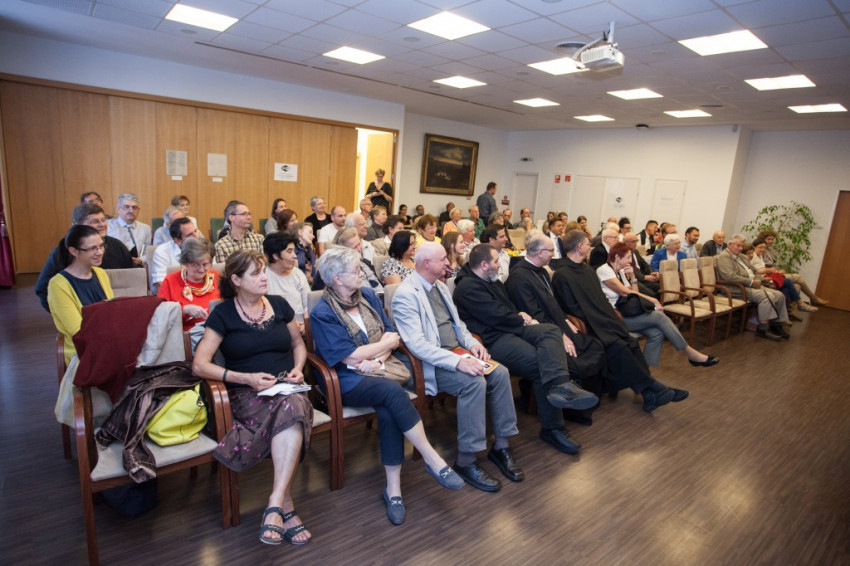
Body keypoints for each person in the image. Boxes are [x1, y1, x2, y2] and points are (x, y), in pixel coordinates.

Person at [310, 247, 465, 525]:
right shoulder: (323, 311)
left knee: (388, 407)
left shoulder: (367, 295)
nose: (361, 273)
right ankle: (432, 458)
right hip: (345, 379)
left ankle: (393, 490)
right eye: (355, 271)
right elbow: (348, 356)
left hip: (379, 369)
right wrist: (378, 350)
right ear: (336, 279)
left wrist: (378, 359)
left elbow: (390, 334)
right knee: (392, 393)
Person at [192, 250, 314, 545]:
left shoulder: (279, 304)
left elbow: (298, 344)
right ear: (236, 280)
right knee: (293, 411)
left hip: (287, 388)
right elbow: (200, 365)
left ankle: (275, 502)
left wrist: (298, 369)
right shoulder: (223, 313)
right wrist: (245, 378)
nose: (263, 277)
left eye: (263, 271)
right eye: (256, 273)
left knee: (293, 404)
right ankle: (285, 505)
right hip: (247, 393)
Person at [392, 242, 522, 491]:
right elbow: (417, 345)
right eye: (443, 259)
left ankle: (501, 446)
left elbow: (458, 325)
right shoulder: (406, 295)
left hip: (457, 353)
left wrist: (473, 344)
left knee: (500, 372)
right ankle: (466, 460)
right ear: (426, 263)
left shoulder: (440, 286)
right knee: (474, 383)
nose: (448, 263)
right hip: (431, 362)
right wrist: (458, 361)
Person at [452, 244, 599, 455]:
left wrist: (520, 315)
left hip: (512, 328)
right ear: (484, 265)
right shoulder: (467, 287)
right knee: (541, 364)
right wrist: (520, 317)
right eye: (496, 261)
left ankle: (561, 385)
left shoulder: (491, 280)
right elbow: (496, 316)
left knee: (551, 331)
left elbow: (507, 310)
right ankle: (553, 428)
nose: (499, 265)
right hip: (493, 339)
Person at [551, 230, 690, 412]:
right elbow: (571, 307)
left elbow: (600, 300)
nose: (589, 246)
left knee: (630, 342)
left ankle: (649, 394)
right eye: (587, 243)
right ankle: (655, 388)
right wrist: (600, 319)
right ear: (579, 247)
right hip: (588, 325)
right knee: (618, 346)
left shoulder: (588, 271)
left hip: (602, 319)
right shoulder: (562, 274)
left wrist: (608, 318)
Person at [505, 233, 608, 424]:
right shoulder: (519, 278)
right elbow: (534, 316)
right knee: (574, 361)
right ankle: (572, 410)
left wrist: (566, 320)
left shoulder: (543, 272)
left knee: (595, 346)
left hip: (559, 325)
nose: (554, 254)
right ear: (539, 252)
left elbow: (553, 304)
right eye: (551, 250)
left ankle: (588, 403)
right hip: (544, 333)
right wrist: (560, 335)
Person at [597, 242, 719, 367]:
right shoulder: (604, 270)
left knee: (656, 333)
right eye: (628, 257)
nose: (630, 261)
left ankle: (646, 370)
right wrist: (653, 300)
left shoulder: (621, 272)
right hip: (616, 317)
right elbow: (624, 292)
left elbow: (634, 294)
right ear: (617, 257)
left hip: (628, 312)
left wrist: (633, 277)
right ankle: (690, 353)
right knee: (659, 316)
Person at [36, 203, 132, 312]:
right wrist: (62, 312)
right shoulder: (63, 251)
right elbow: (42, 288)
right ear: (78, 226)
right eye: (95, 221)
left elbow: (132, 276)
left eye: (103, 220)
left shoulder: (117, 245)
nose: (102, 225)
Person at [48, 225, 115, 365]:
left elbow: (112, 312)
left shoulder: (100, 273)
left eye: (101, 246)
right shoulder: (58, 285)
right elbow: (78, 332)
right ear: (73, 251)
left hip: (108, 342)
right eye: (92, 248)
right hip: (83, 352)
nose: (99, 252)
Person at [717, 234, 790, 341]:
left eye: (742, 246)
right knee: (766, 296)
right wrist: (751, 282)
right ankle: (763, 328)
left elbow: (754, 271)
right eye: (738, 246)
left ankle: (776, 324)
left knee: (780, 295)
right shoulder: (724, 257)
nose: (741, 248)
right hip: (736, 288)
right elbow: (730, 276)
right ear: (730, 245)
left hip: (752, 284)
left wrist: (761, 279)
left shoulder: (741, 256)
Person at [157, 237, 220, 331]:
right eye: (196, 265)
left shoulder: (217, 277)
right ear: (185, 263)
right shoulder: (170, 280)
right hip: (186, 333)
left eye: (205, 264)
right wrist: (184, 309)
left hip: (218, 329)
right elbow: (160, 312)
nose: (201, 269)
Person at [757, 228, 828, 306]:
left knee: (797, 286)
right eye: (768, 239)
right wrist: (776, 271)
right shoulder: (760, 250)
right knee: (798, 277)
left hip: (774, 273)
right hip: (768, 276)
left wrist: (778, 271)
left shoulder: (769, 250)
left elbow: (772, 266)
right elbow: (763, 267)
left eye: (772, 239)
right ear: (762, 239)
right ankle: (813, 298)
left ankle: (792, 310)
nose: (771, 241)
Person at [751, 237, 814, 319]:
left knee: (786, 290)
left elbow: (765, 268)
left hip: (769, 276)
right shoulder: (752, 256)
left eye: (764, 248)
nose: (763, 249)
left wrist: (774, 271)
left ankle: (783, 317)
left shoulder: (760, 256)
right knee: (789, 280)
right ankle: (801, 303)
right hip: (762, 279)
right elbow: (753, 271)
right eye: (760, 247)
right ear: (754, 247)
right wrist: (767, 270)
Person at [263, 232, 310, 335]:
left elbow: (308, 303)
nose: (295, 256)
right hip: (276, 330)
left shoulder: (297, 274)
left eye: (294, 251)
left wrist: (306, 324)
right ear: (275, 255)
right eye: (289, 251)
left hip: (302, 328)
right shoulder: (263, 277)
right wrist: (291, 325)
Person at [150, 217, 200, 289]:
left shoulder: (204, 247)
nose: (196, 236)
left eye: (195, 231)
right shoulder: (162, 251)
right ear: (178, 240)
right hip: (173, 292)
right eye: (190, 235)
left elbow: (212, 274)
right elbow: (161, 283)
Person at [106, 192, 151, 264]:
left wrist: (141, 260)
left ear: (138, 210)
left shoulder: (145, 228)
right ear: (118, 209)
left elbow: (149, 252)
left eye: (134, 207)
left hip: (137, 266)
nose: (131, 210)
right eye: (126, 207)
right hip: (113, 265)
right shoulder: (107, 226)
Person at [622, 232, 660, 298]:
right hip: (634, 279)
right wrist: (644, 277)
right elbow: (630, 268)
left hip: (643, 277)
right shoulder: (622, 254)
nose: (636, 243)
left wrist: (652, 273)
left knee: (660, 287)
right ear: (625, 242)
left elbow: (645, 264)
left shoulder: (635, 252)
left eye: (636, 241)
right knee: (651, 294)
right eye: (633, 241)